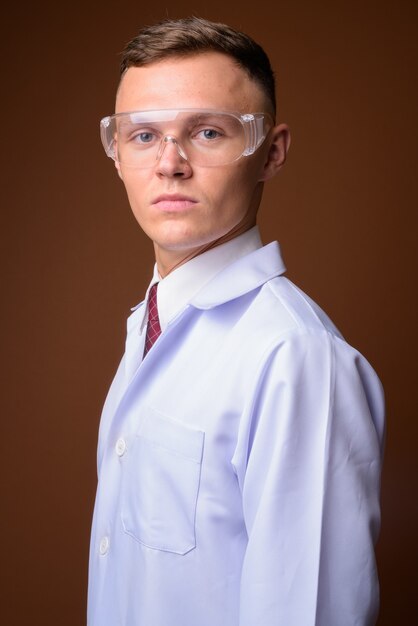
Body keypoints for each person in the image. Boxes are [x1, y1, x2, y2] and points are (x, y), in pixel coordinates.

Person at [88, 16, 385, 626]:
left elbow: (309, 612)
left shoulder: (296, 357)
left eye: (206, 132)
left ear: (270, 153)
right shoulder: (149, 323)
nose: (170, 164)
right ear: (117, 154)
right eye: (142, 135)